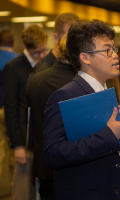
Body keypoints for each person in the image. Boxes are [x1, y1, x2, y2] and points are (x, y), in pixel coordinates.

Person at [43, 19, 120, 200]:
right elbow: (53, 154)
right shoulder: (65, 95)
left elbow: (113, 153)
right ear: (85, 57)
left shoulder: (106, 93)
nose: (115, 55)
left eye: (114, 49)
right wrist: (109, 135)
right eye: (107, 50)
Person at [26, 33, 76, 199]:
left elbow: (31, 119)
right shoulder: (78, 83)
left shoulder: (35, 79)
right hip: (71, 163)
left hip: (43, 162)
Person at [3, 24, 48, 200]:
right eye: (38, 52)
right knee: (23, 190)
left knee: (40, 189)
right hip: (24, 140)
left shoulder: (45, 65)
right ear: (26, 48)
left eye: (44, 50)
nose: (42, 55)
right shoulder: (13, 68)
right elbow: (11, 109)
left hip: (41, 137)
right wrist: (18, 145)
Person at [0, 29, 17, 196]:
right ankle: (13, 187)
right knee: (14, 150)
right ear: (12, 42)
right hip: (11, 111)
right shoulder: (16, 61)